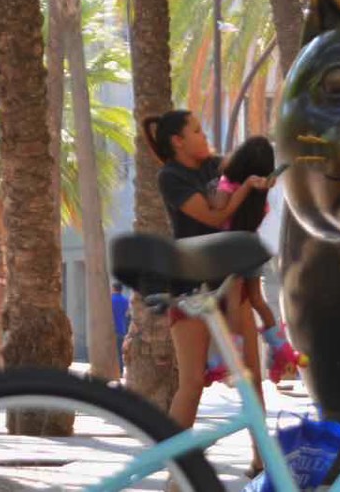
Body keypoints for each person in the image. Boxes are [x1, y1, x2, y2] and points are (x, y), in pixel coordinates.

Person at [141, 111, 269, 437]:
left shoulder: (216, 166)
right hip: (190, 287)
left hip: (230, 279)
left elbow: (244, 172)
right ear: (178, 141)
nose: (205, 135)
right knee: (193, 382)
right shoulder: (170, 177)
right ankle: (176, 473)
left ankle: (264, 463)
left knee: (251, 375)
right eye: (197, 131)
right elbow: (214, 216)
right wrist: (246, 189)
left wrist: (263, 176)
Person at [209, 136, 303, 383]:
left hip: (230, 249)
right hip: (252, 247)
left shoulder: (229, 185)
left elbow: (219, 211)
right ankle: (282, 350)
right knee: (257, 300)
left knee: (232, 304)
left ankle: (229, 359)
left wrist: (243, 188)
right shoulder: (262, 193)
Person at [111, 283, 129, 371]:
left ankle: (112, 370)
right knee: (119, 352)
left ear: (114, 289)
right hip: (121, 329)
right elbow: (127, 314)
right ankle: (120, 371)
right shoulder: (125, 300)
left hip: (111, 329)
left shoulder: (110, 300)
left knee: (110, 351)